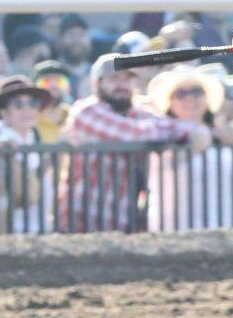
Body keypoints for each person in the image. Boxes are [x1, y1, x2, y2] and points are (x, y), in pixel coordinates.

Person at [60, 56, 211, 232]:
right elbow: (137, 133)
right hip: (82, 220)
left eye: (127, 78)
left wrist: (199, 131)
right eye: (114, 79)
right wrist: (195, 130)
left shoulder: (139, 114)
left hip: (124, 221)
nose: (122, 85)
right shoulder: (86, 112)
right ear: (97, 83)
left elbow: (161, 125)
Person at [146, 66, 233, 231]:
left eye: (197, 92)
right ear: (170, 102)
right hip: (175, 233)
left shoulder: (224, 138)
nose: (190, 98)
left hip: (222, 231)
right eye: (181, 94)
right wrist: (212, 133)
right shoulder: (162, 131)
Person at [0, 75, 55, 233]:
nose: (27, 110)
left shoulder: (34, 139)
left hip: (38, 229)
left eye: (33, 103)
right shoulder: (0, 144)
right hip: (11, 233)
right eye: (18, 104)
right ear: (3, 113)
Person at [55, 14, 95, 95]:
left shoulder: (96, 74)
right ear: (60, 39)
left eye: (81, 35)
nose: (77, 41)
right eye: (71, 35)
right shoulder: (51, 73)